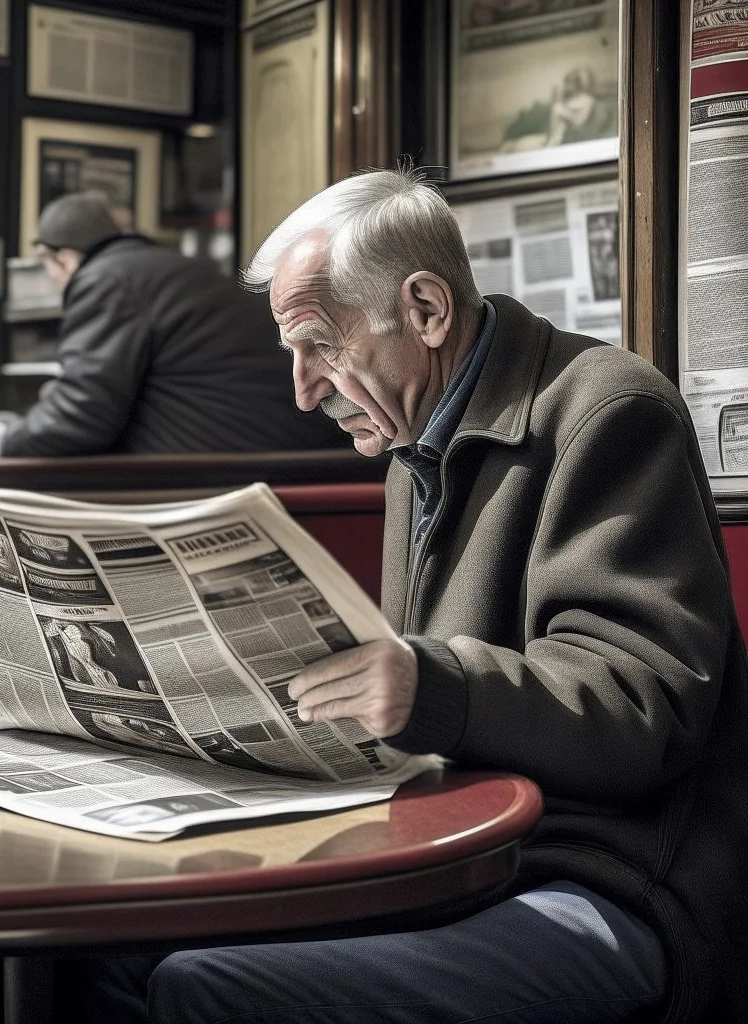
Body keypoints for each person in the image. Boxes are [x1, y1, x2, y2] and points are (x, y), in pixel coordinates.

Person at [74, 168, 748, 1022]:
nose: (302, 388)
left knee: (202, 984)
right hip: (463, 855)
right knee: (108, 954)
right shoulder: (413, 443)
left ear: (426, 310)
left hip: (606, 880)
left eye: (319, 344)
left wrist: (430, 688)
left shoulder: (609, 411)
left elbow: (642, 707)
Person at [0, 192, 342, 457]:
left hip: (224, 468)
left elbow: (80, 414)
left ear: (61, 259)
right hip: (290, 450)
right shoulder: (172, 268)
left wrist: (3, 439)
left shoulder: (104, 280)